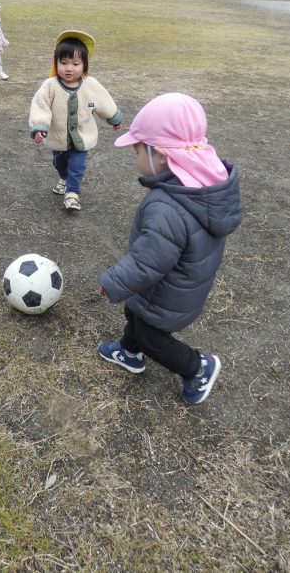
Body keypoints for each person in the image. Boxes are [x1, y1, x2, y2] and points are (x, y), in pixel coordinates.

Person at [97, 93, 242, 404]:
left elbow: (148, 261)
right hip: (183, 283)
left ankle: (197, 368)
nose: (135, 157)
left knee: (152, 336)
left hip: (166, 291)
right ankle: (129, 351)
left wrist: (113, 282)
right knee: (135, 313)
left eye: (137, 150)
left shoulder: (167, 206)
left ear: (160, 155)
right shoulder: (201, 185)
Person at [29, 30, 122, 212]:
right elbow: (41, 106)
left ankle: (72, 194)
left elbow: (104, 102)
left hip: (82, 137)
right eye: (63, 63)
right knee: (59, 163)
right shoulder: (50, 86)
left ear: (84, 65)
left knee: (77, 165)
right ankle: (64, 178)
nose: (69, 68)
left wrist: (113, 118)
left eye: (75, 63)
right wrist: (40, 126)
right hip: (59, 137)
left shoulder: (91, 85)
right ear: (55, 63)